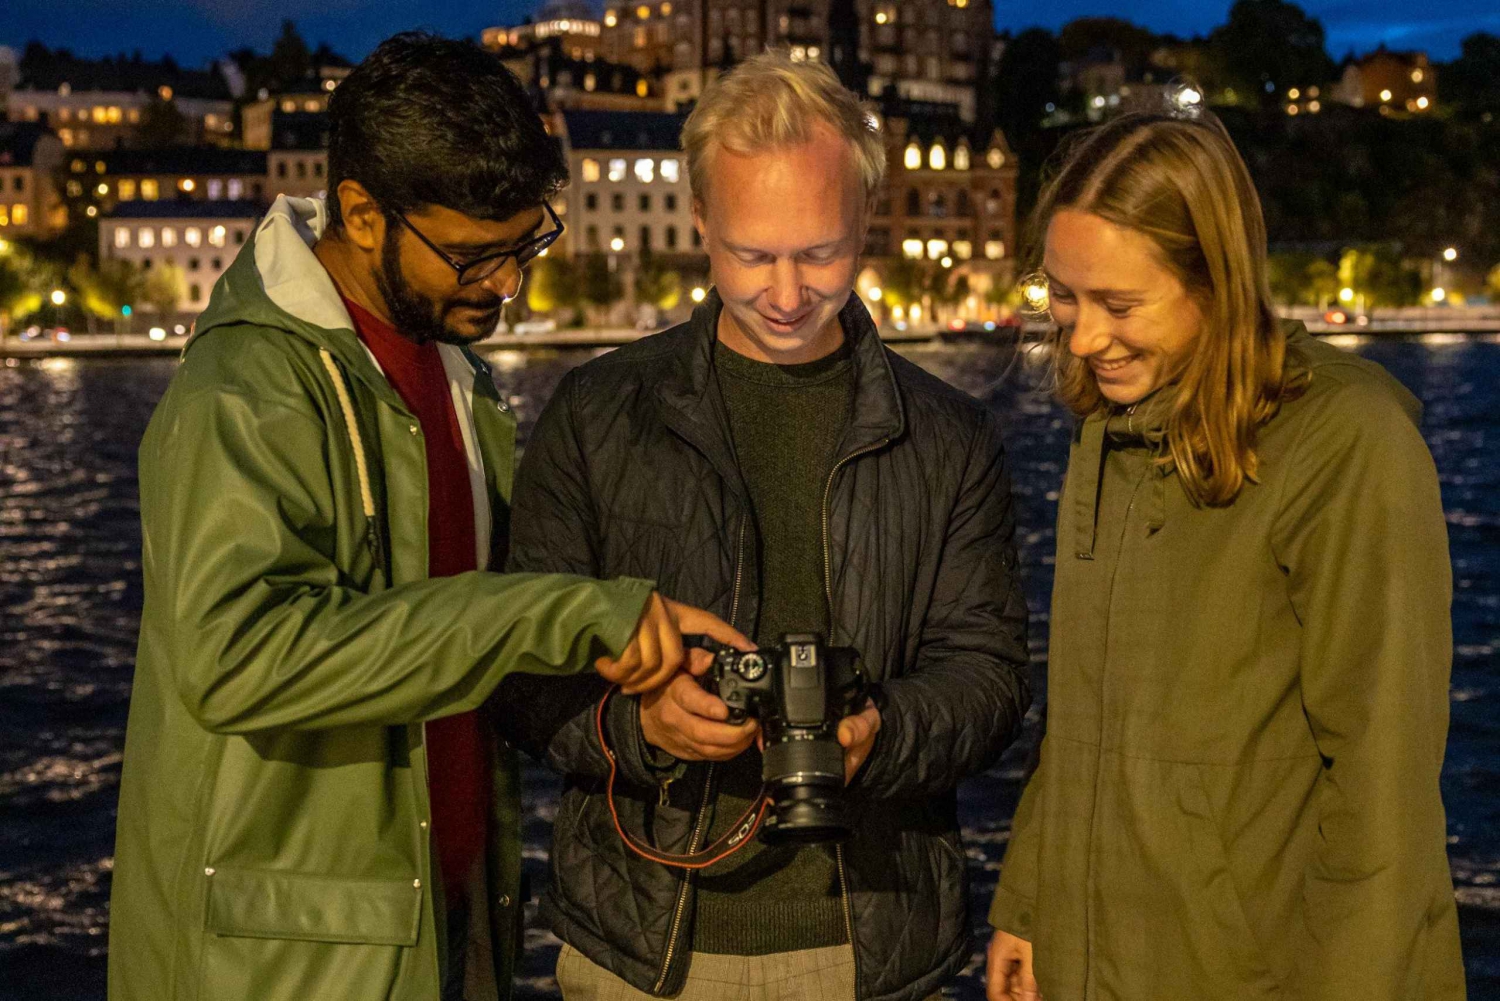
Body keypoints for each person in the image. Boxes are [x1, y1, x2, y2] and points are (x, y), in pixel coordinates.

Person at [109, 33, 745, 1001]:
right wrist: (562, 612)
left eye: (529, 242)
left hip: (442, 914)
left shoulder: (451, 371)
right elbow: (237, 657)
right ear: (363, 215)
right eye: (476, 255)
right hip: (289, 958)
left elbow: (464, 635)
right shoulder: (240, 389)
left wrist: (637, 673)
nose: (510, 284)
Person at [497, 51, 1031, 1001]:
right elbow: (521, 671)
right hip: (636, 952)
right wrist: (643, 725)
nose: (787, 294)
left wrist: (882, 732)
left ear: (865, 221)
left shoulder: (951, 436)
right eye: (753, 255)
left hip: (869, 948)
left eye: (820, 253)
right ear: (702, 221)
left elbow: (988, 679)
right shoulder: (592, 412)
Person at [985, 109, 1466, 1001]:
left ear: (1218, 283)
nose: (1082, 338)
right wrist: (1029, 895)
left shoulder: (1350, 443)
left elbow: (1383, 792)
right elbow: (1078, 709)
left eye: (1121, 305)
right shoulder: (1109, 429)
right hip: (1110, 957)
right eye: (1061, 293)